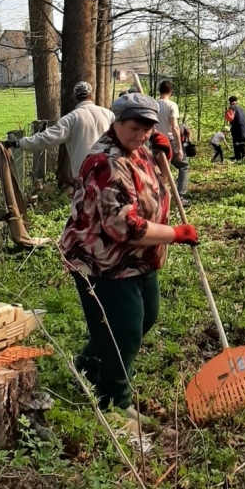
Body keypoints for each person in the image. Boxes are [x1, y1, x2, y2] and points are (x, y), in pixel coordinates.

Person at [60, 93, 199, 415]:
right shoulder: (105, 162)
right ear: (117, 122)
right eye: (135, 128)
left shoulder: (137, 149)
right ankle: (114, 403)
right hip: (101, 260)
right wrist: (176, 234)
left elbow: (147, 190)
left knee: (145, 316)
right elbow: (125, 227)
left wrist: (159, 154)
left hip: (138, 257)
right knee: (121, 330)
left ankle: (88, 365)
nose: (141, 136)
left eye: (147, 129)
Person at [6, 81, 114, 182]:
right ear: (91, 96)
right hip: (108, 170)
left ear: (74, 97)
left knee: (85, 202)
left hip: (84, 173)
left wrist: (19, 143)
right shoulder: (108, 115)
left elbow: (46, 138)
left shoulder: (71, 119)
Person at [156, 79, 189, 202]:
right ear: (171, 91)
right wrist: (180, 148)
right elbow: (175, 127)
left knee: (158, 169)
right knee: (184, 165)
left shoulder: (153, 104)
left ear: (160, 90)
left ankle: (158, 196)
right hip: (168, 141)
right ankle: (180, 195)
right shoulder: (171, 105)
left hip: (155, 141)